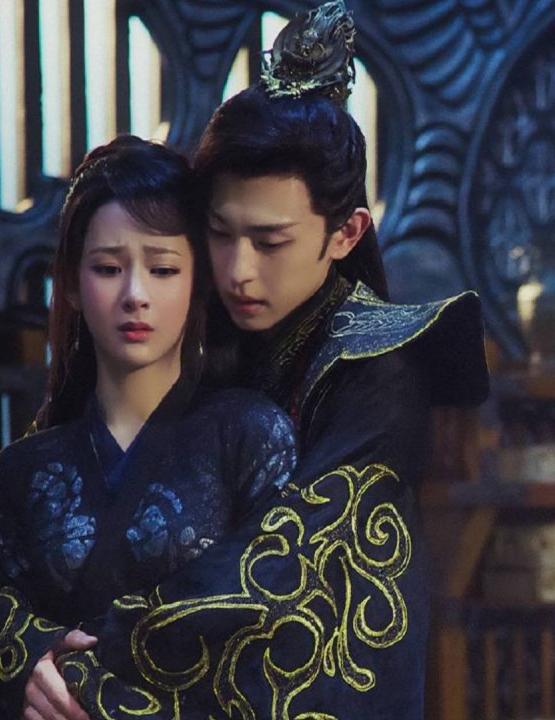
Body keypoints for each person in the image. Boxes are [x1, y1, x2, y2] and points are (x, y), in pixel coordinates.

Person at [49, 3, 490, 719]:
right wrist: (33, 646)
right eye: (220, 234)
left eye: (270, 242)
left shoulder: (379, 366)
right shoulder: (183, 329)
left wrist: (92, 652)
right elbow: (55, 496)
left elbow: (282, 567)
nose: (238, 271)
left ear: (346, 234)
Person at [0, 135, 299, 720]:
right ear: (71, 283)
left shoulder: (251, 437)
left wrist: (86, 678)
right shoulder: (20, 471)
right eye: (108, 268)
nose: (135, 295)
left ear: (199, 282)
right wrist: (32, 661)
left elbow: (275, 622)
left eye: (163, 269)